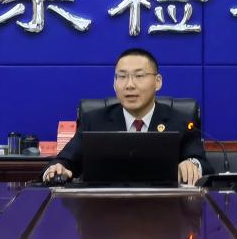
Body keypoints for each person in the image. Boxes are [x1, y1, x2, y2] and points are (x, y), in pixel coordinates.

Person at [43, 48, 212, 186]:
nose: (129, 85)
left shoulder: (181, 122)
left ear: (158, 82)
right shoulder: (93, 121)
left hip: (164, 209)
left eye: (139, 76)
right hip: (103, 210)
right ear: (114, 83)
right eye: (122, 77)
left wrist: (192, 164)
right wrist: (58, 169)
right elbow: (63, 162)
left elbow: (203, 164)